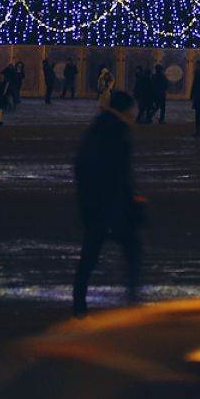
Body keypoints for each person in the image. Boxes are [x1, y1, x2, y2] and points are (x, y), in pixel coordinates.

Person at [72, 89, 143, 316]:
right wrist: (124, 201)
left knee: (90, 254)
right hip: (111, 206)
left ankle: (79, 303)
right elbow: (118, 173)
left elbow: (82, 165)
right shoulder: (117, 131)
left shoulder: (98, 127)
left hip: (95, 204)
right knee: (130, 250)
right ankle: (132, 299)